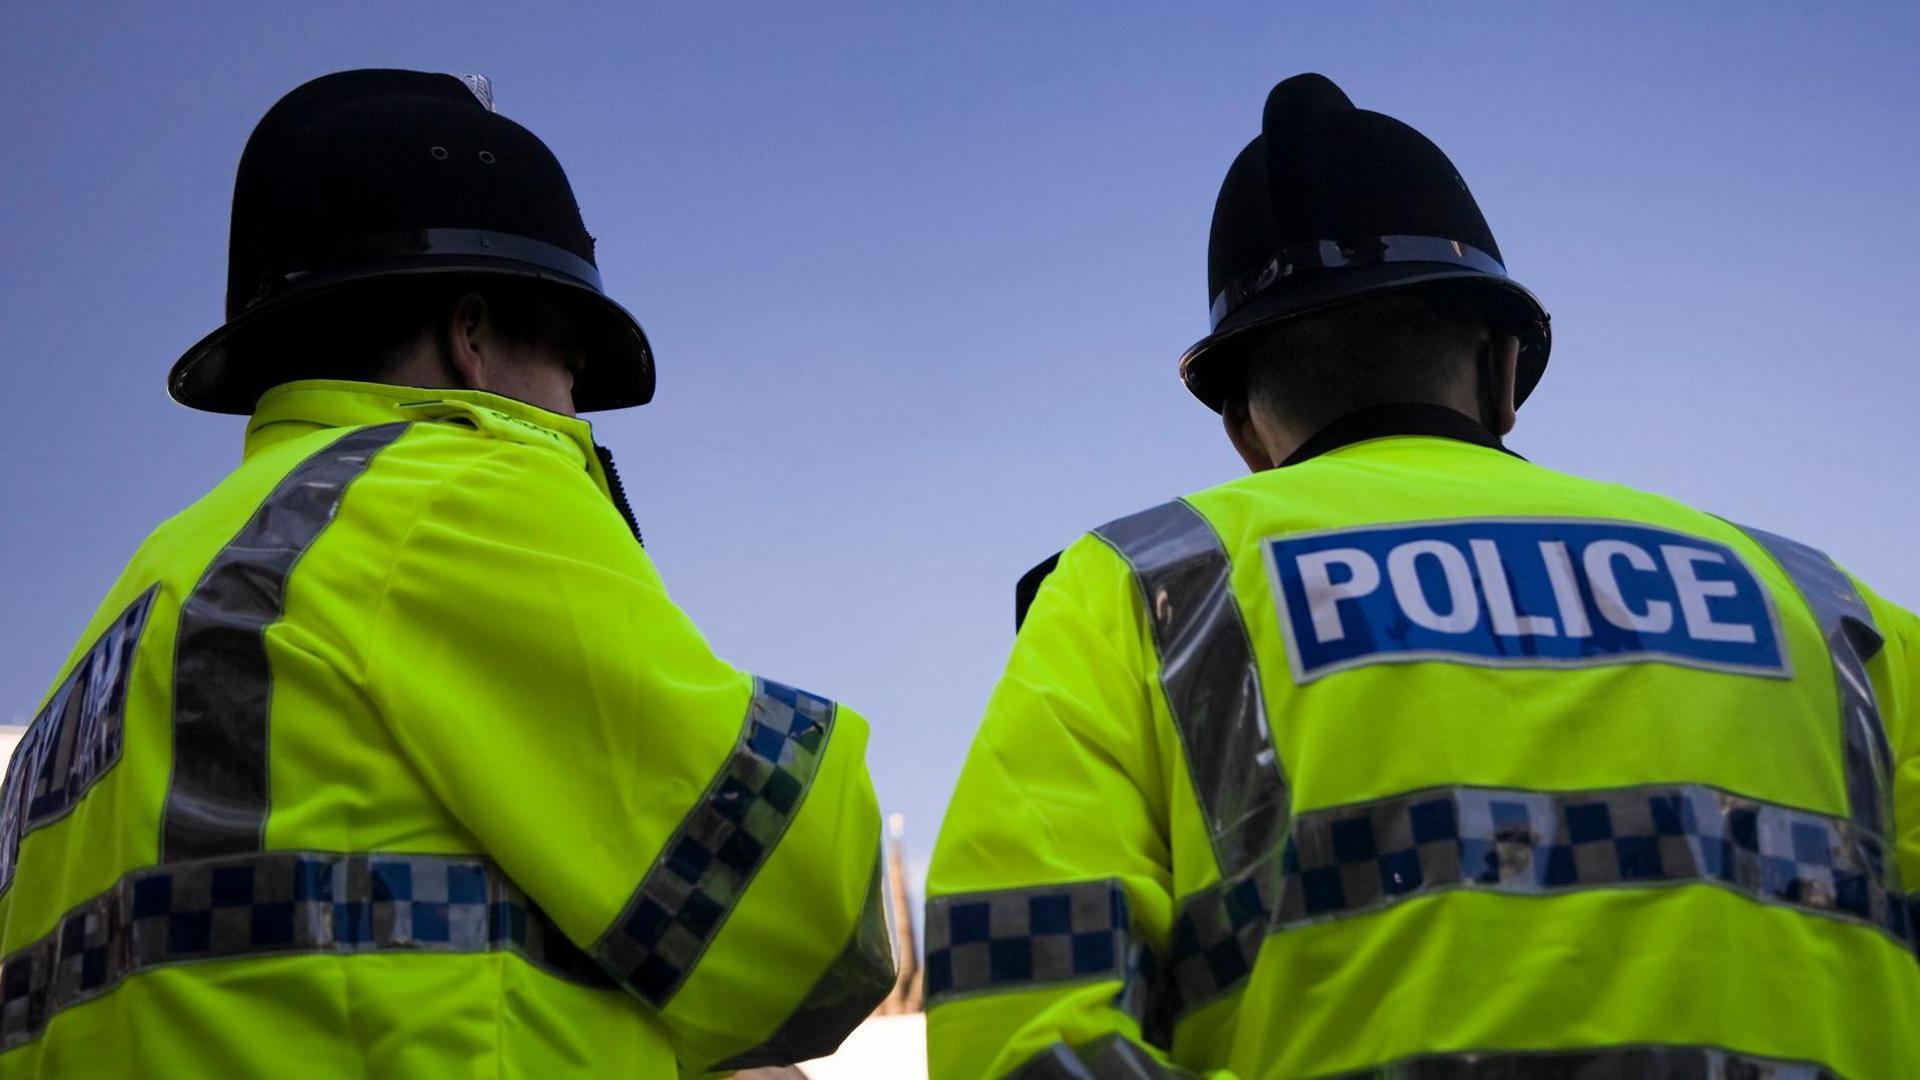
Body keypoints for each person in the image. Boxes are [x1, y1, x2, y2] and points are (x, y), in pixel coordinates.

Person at [925, 73, 1919, 1078]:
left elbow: (1022, 1028)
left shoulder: (1140, 590)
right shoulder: (1830, 610)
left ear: (1242, 426)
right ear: (1500, 369)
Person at [0, 69, 893, 1075]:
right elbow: (807, 920)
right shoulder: (444, 494)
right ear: (473, 338)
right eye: (569, 371)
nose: (572, 414)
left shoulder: (129, 622)